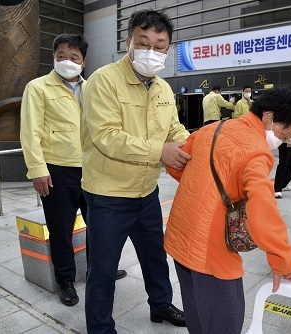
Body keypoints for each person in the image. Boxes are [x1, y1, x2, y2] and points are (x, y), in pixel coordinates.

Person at [164, 88, 291, 334]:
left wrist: (205, 190)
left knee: (197, 317)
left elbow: (177, 165)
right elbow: (263, 211)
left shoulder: (212, 129)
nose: (284, 140)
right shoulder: (255, 150)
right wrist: (283, 262)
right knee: (226, 321)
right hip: (209, 249)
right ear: (268, 117)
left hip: (180, 236)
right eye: (285, 132)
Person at [81, 9, 189, 332]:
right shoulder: (104, 81)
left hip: (146, 193)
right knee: (102, 269)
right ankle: (100, 327)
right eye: (143, 43)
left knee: (156, 256)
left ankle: (160, 304)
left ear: (168, 50)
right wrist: (162, 152)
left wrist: (199, 145)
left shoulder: (164, 90)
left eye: (160, 46)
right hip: (108, 195)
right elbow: (107, 138)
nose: (151, 52)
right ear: (128, 42)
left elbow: (175, 130)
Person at [20, 34, 126, 308]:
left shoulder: (94, 88)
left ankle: (99, 270)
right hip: (57, 170)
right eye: (61, 56)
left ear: (84, 61)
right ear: (54, 58)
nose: (67, 61)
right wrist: (37, 169)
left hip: (93, 167)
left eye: (74, 57)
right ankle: (65, 280)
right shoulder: (38, 87)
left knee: (100, 225)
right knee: (60, 228)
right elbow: (29, 132)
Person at [274, 84, 291, 199]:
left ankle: (285, 183)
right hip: (286, 139)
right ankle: (277, 188)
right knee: (283, 163)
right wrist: (289, 138)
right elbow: (285, 124)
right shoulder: (285, 107)